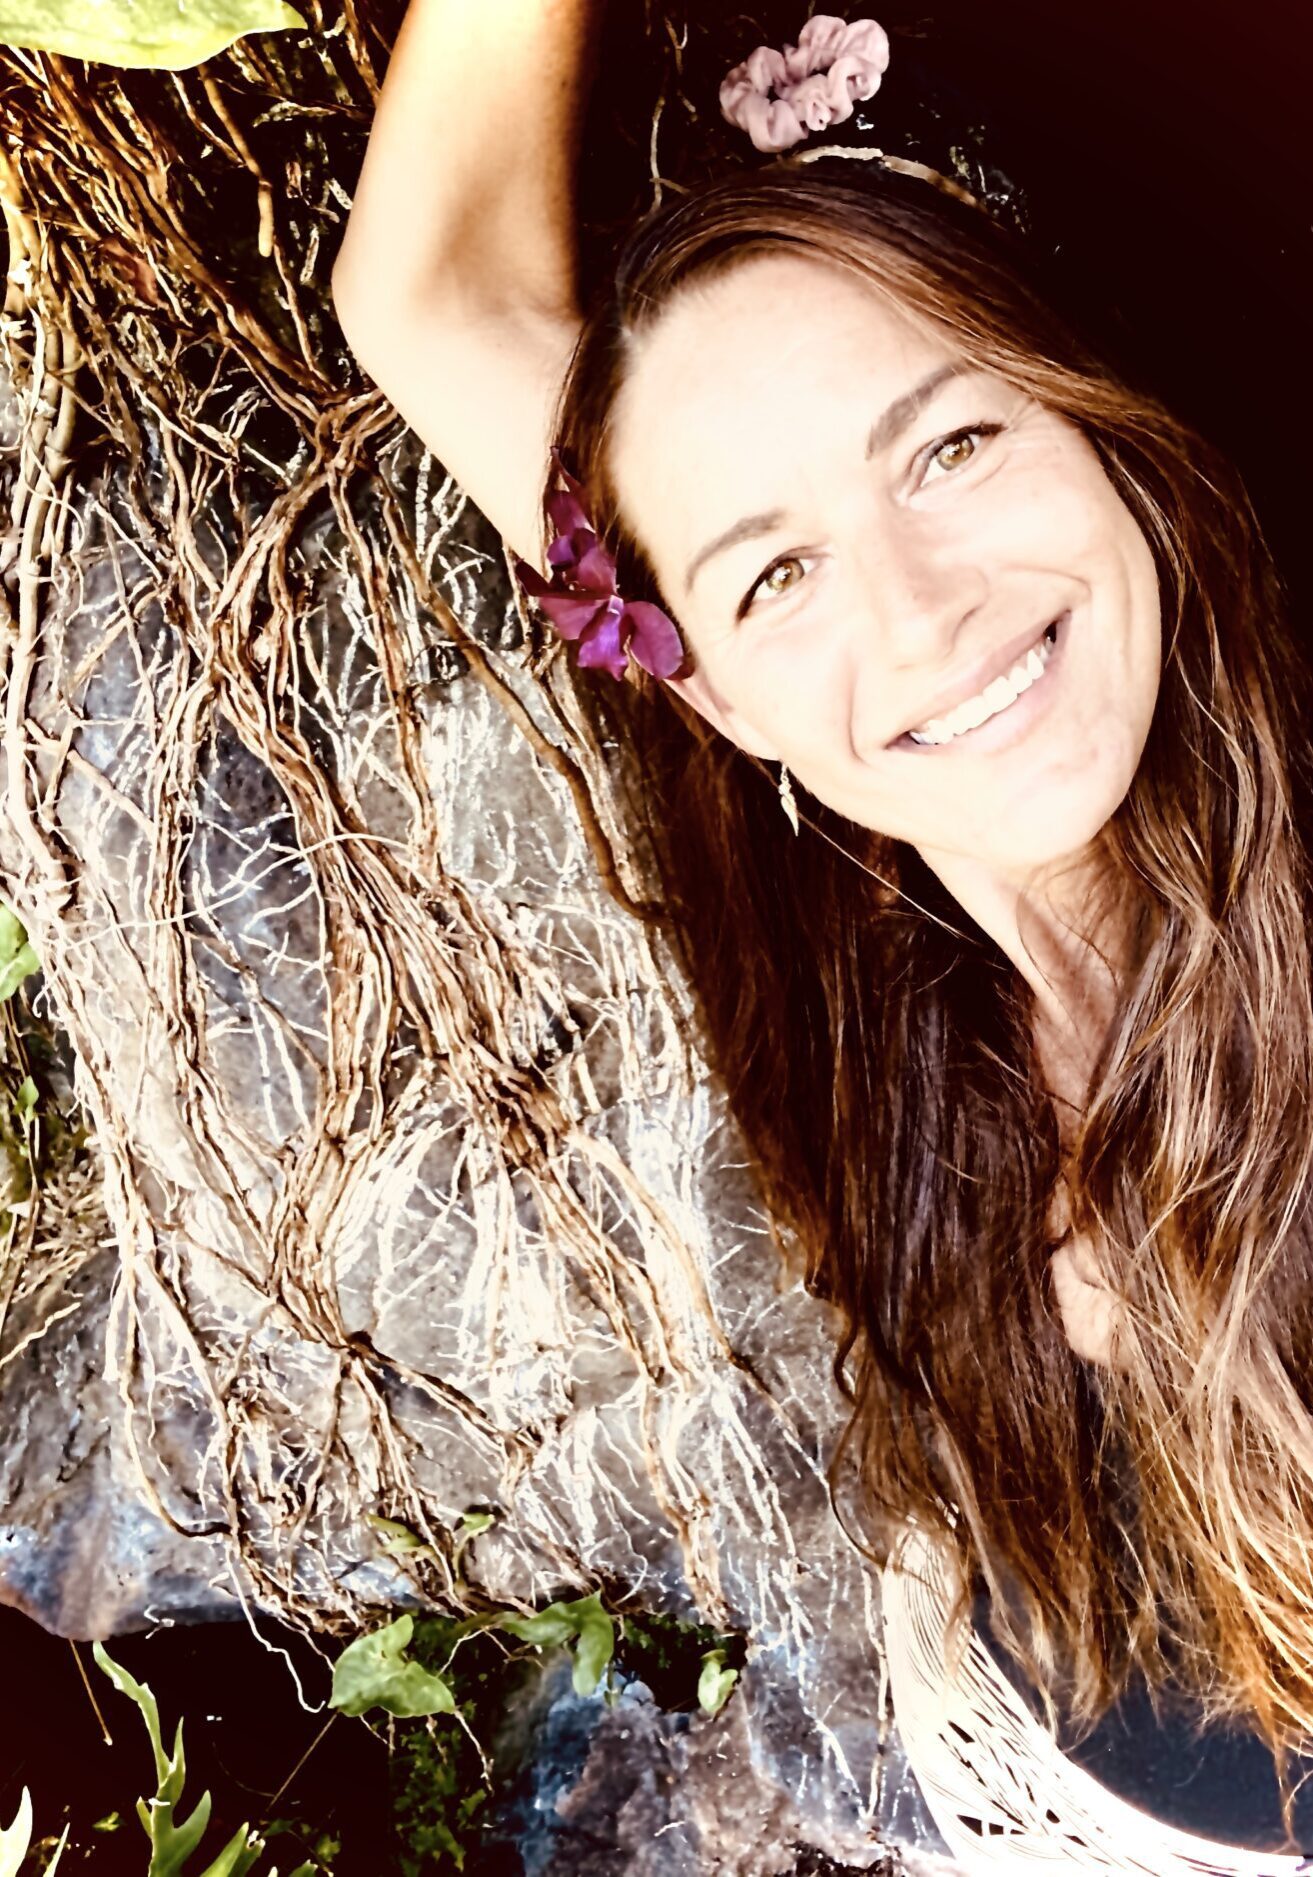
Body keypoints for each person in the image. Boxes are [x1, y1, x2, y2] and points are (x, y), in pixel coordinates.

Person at [333, 3, 1313, 1866]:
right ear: (706, 692)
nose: (922, 617)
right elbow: (433, 296)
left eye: (946, 447)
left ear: (1088, 413)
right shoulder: (906, 995)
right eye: (773, 569)